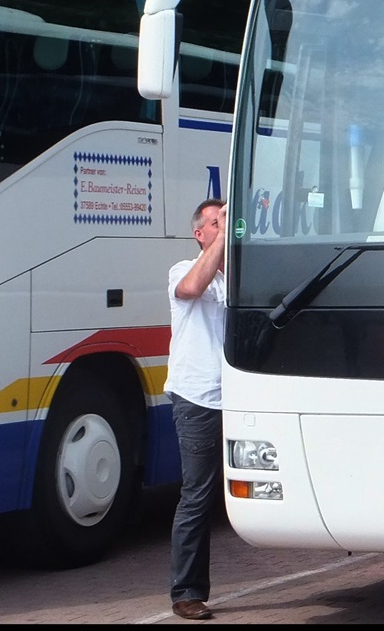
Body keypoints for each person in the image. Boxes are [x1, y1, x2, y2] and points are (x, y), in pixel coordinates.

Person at [166, 198, 228, 620]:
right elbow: (191, 288)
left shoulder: (237, 278)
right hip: (197, 399)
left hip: (238, 397)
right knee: (198, 495)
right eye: (215, 222)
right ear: (200, 233)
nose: (223, 225)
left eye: (226, 219)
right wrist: (225, 237)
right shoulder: (181, 270)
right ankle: (187, 592)